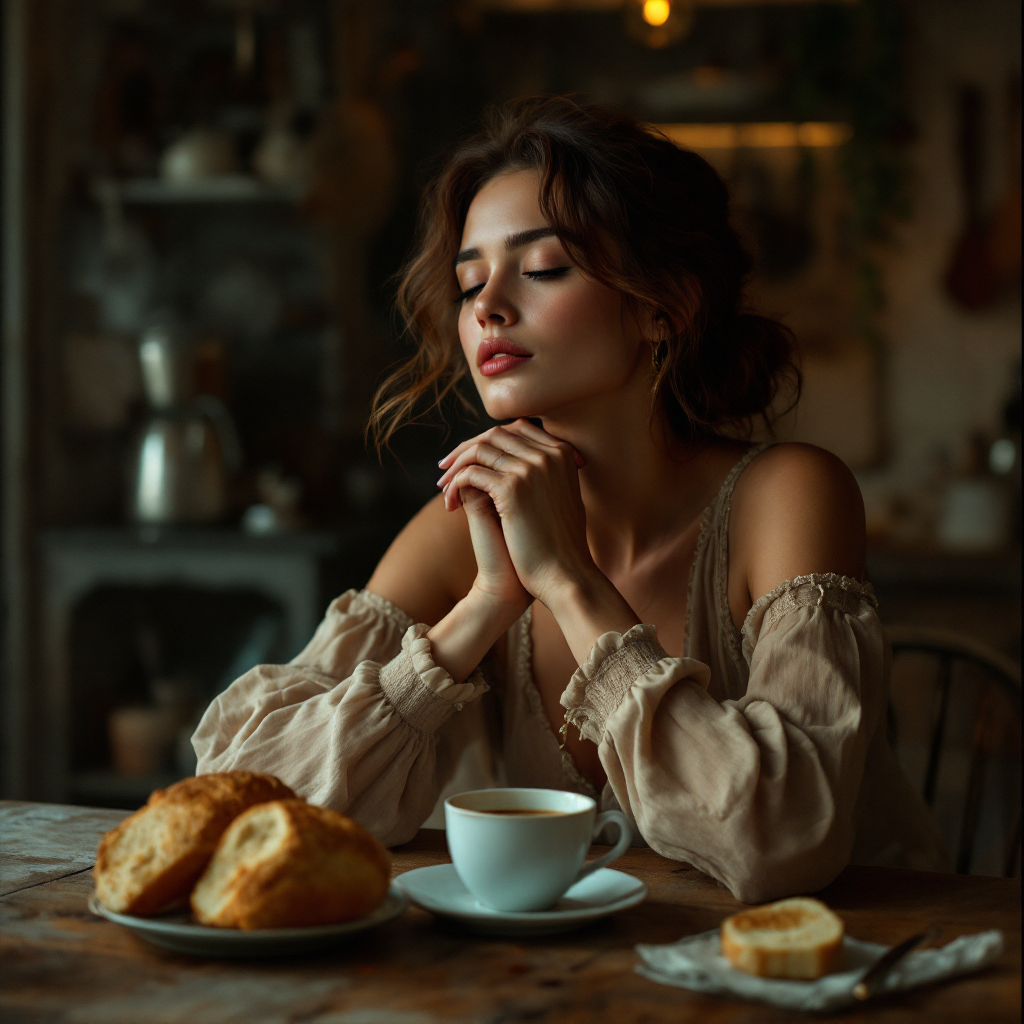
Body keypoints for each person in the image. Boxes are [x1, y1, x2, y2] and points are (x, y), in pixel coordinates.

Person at [194, 97, 947, 903]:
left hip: (849, 963)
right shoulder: (461, 532)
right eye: (470, 279)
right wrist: (484, 607)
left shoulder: (787, 496)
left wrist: (569, 582)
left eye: (543, 268)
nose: (487, 306)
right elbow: (245, 803)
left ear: (663, 307)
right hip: (586, 977)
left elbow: (778, 843)